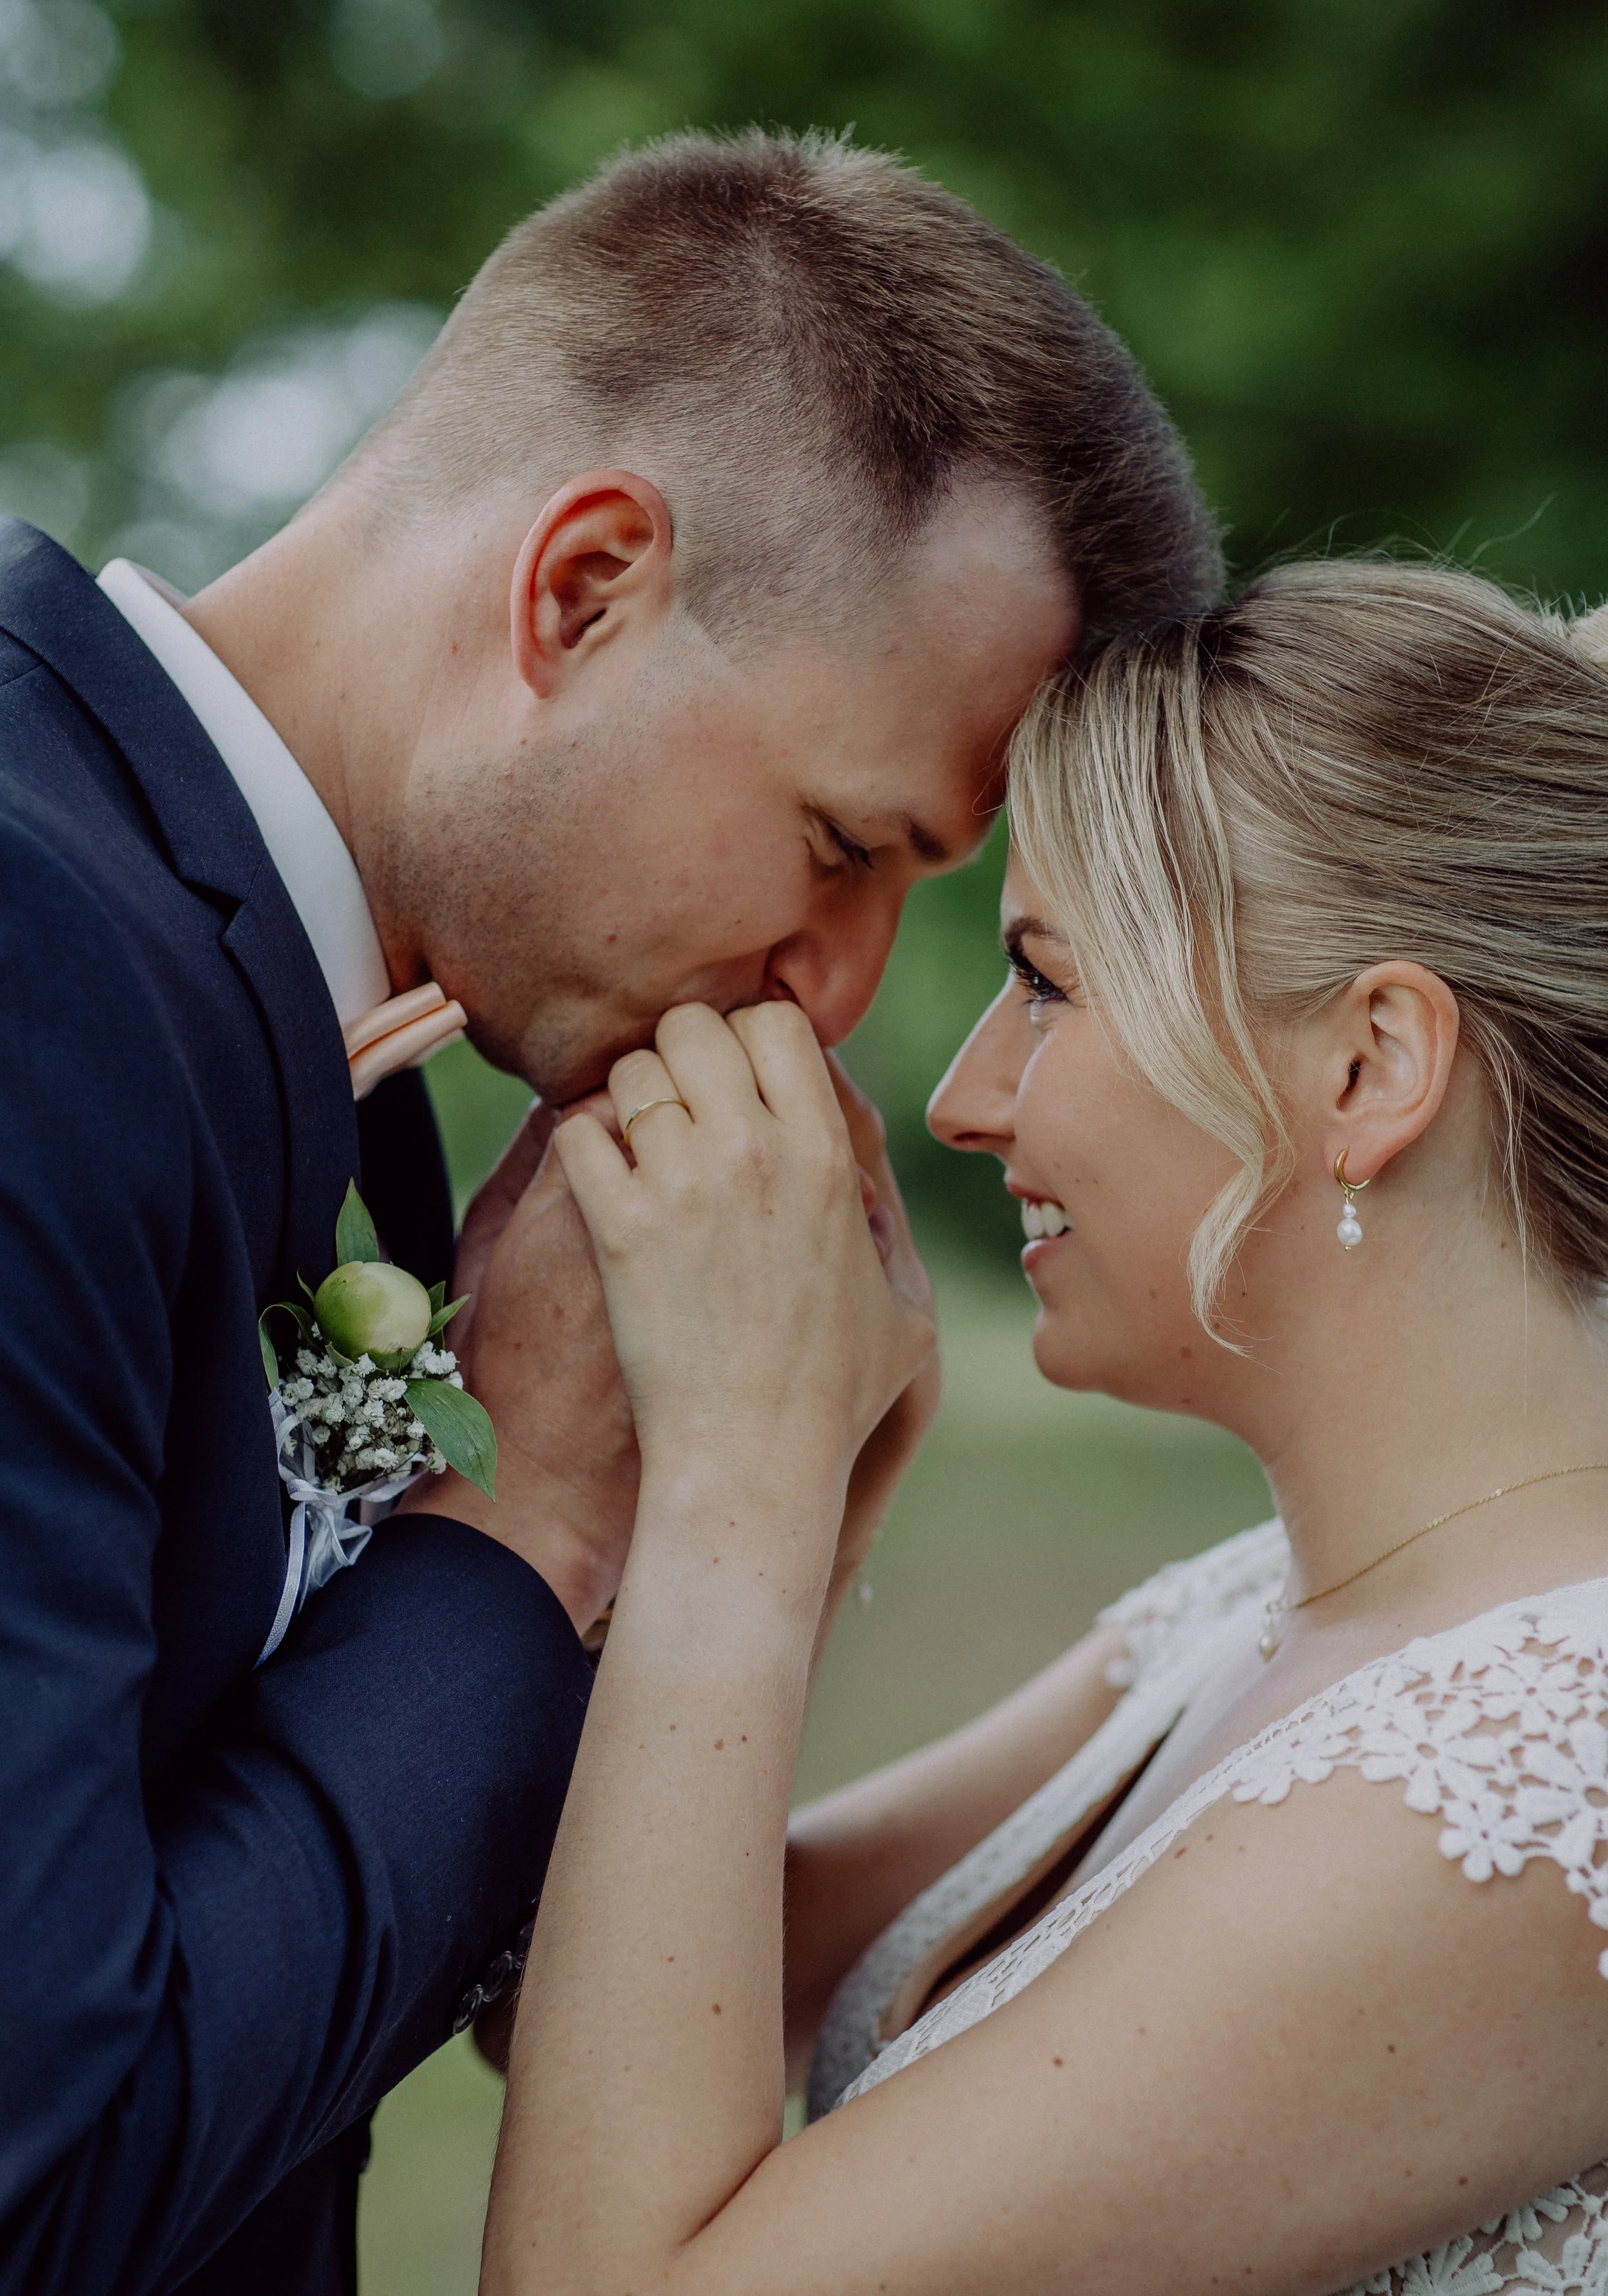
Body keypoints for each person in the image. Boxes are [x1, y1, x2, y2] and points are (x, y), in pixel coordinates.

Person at [0, 128, 1215, 2295]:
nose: (841, 996)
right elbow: (46, 2174)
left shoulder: (341, 1057)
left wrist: (736, 1510)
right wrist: (543, 1507)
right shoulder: (29, 956)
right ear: (581, 587)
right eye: (846, 844)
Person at [480, 559, 1608, 2296]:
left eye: (1051, 984)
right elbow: (583, 1997)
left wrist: (740, 1498)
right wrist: (795, 1480)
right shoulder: (1250, 1607)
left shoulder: (1545, 1770)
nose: (961, 1096)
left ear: (1371, 1065)